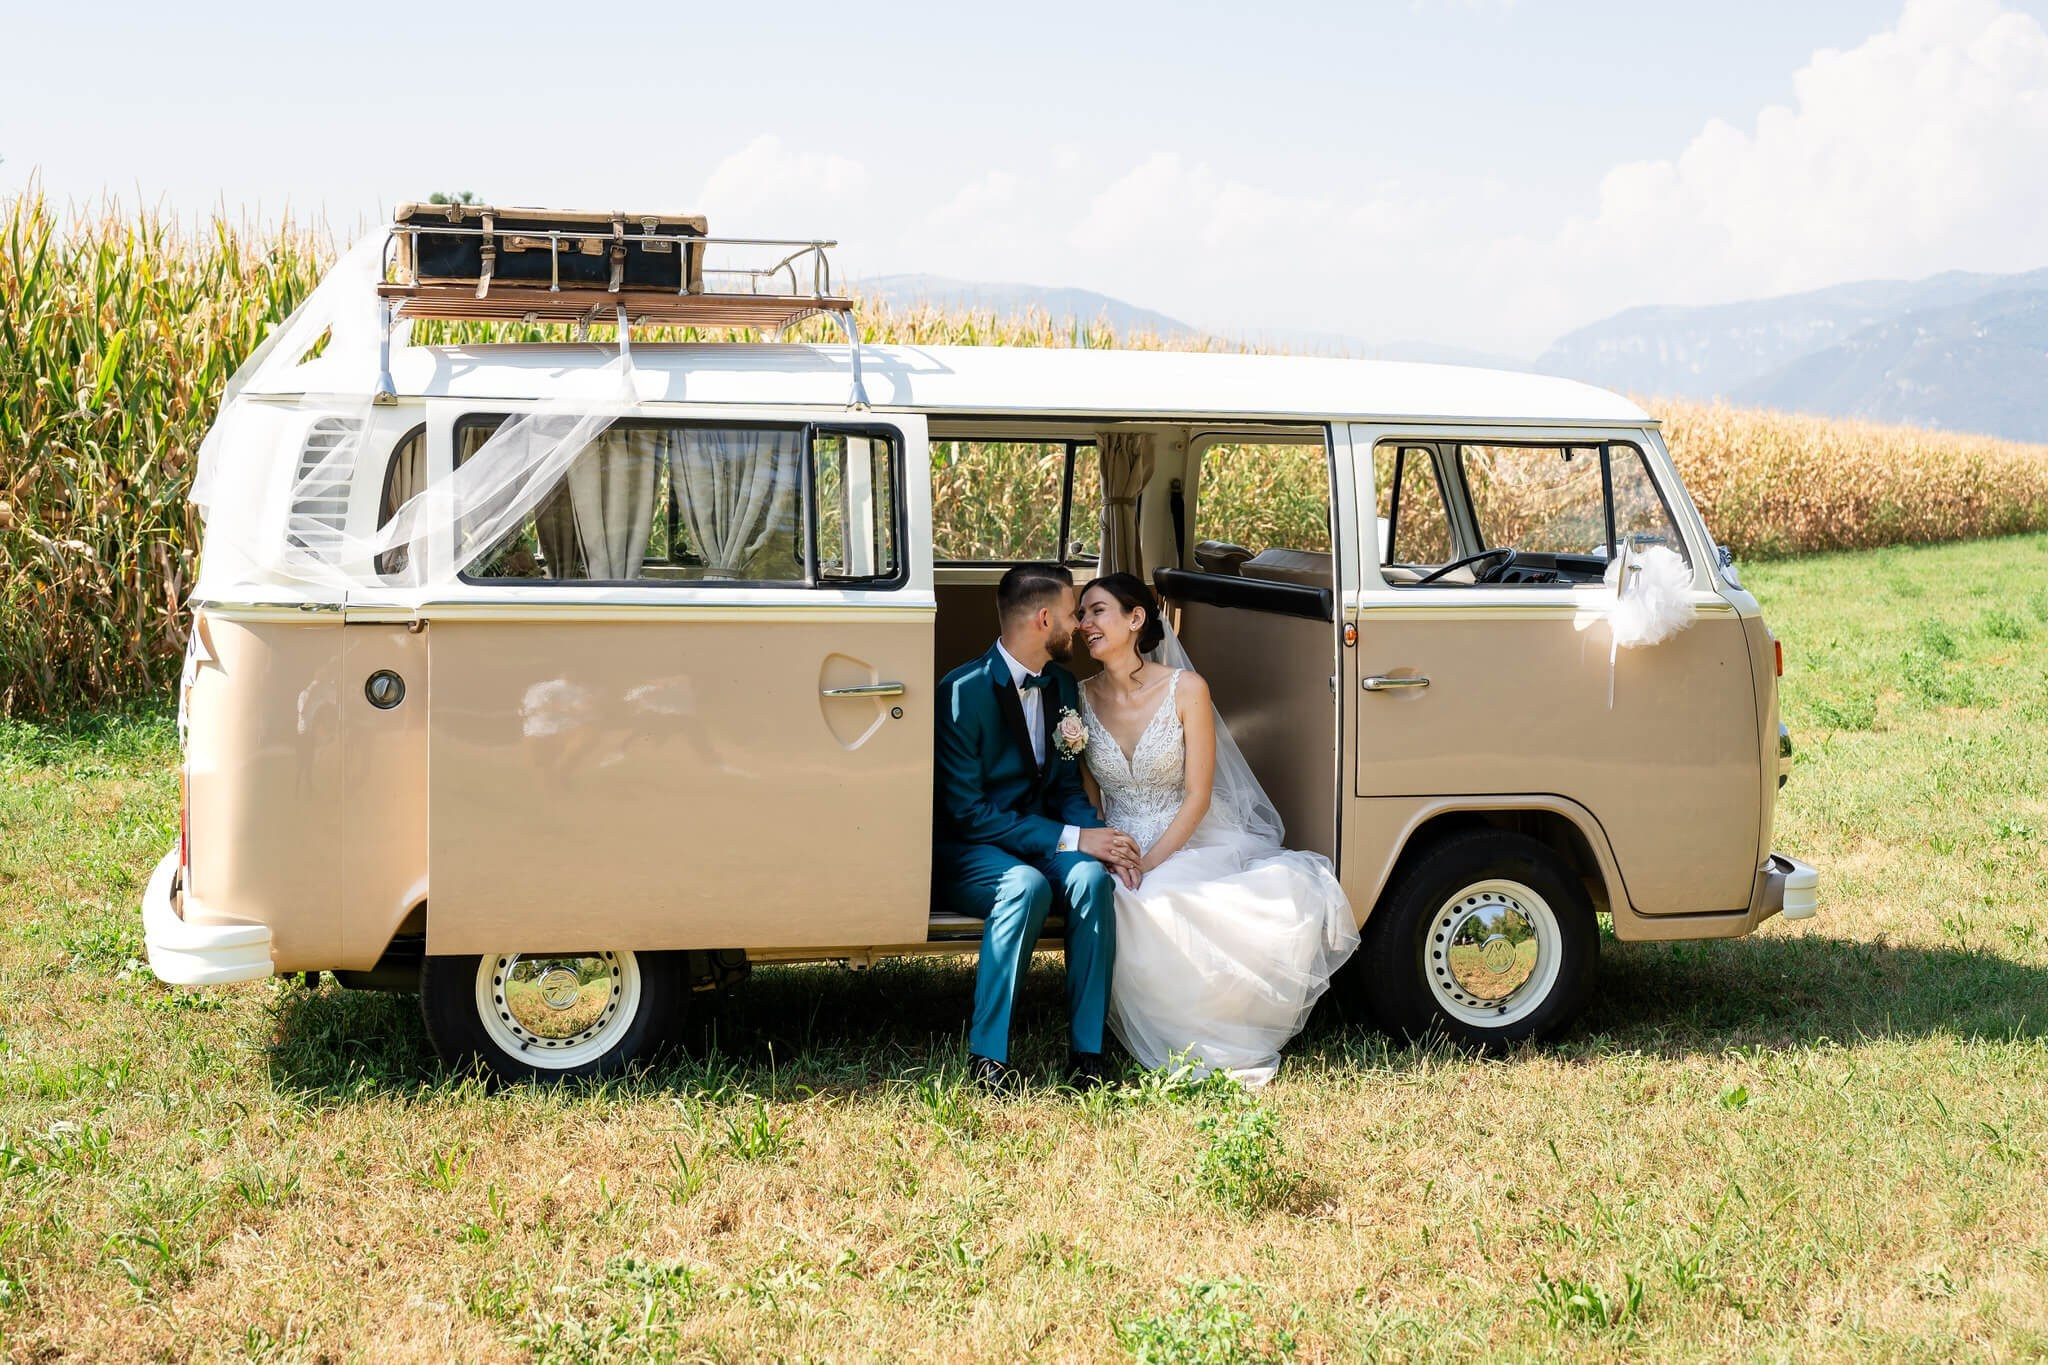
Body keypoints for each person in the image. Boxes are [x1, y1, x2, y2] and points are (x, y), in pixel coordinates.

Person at [1075, 572, 1359, 1085]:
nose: (1085, 623)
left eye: (1097, 611)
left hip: (1183, 836)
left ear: (1135, 618)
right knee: (1119, 897)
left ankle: (1213, 1031)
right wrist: (1111, 851)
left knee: (1163, 899)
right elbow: (1091, 800)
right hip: (1116, 844)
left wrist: (1150, 860)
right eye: (1081, 614)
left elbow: (1198, 797)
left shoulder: (1187, 689)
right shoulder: (1079, 700)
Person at [933, 563, 1141, 1094]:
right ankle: (989, 1060)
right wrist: (1071, 839)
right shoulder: (960, 693)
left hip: (1046, 840)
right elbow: (966, 813)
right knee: (1024, 887)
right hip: (975, 851)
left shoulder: (1062, 685)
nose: (1079, 625)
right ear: (1044, 618)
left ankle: (1088, 1055)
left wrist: (1102, 842)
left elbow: (1068, 789)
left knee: (1093, 881)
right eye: (1074, 613)